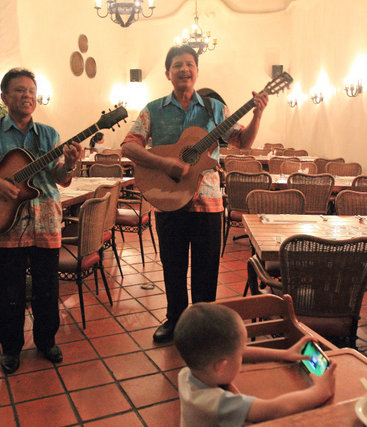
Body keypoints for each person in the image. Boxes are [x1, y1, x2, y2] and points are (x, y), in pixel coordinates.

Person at [121, 45, 269, 342]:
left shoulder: (216, 109)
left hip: (208, 203)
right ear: (168, 73)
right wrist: (165, 163)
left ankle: (203, 325)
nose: (184, 70)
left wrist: (258, 114)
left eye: (190, 64)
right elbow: (128, 146)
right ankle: (174, 319)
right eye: (178, 65)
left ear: (197, 71)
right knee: (172, 267)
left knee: (206, 270)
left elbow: (243, 143)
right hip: (168, 200)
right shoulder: (153, 109)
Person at [0, 68, 82, 374]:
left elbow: (61, 180)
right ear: (4, 97)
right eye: (20, 90)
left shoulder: (49, 135)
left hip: (45, 223)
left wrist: (71, 164)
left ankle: (46, 341)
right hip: (5, 226)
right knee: (9, 291)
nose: (27, 96)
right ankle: (10, 349)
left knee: (47, 288)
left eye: (32, 91)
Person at [174, 303, 337, 425]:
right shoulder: (218, 404)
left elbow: (237, 353)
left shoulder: (187, 373)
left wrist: (284, 354)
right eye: (239, 354)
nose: (242, 355)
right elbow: (274, 409)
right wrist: (320, 391)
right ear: (220, 367)